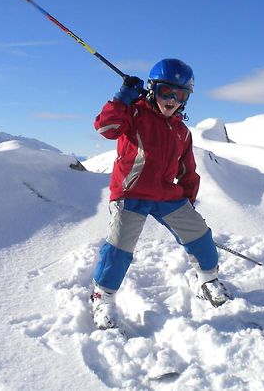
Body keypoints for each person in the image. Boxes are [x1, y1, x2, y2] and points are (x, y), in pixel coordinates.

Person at [91, 58, 231, 330]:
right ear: (153, 89)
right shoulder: (133, 115)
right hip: (131, 192)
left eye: (181, 94)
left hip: (167, 194)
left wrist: (187, 203)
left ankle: (207, 279)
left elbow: (188, 170)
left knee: (199, 235)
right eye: (167, 91)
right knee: (119, 246)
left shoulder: (181, 131)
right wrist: (122, 99)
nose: (173, 100)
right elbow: (105, 128)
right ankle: (103, 296)